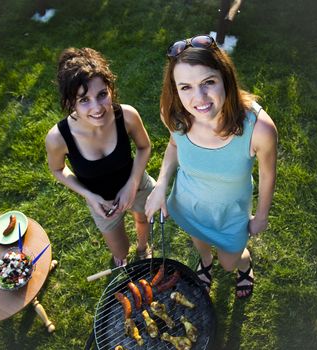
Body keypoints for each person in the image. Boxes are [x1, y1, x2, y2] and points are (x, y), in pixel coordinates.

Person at [145, 35, 277, 298]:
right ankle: (205, 263)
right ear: (175, 89)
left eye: (208, 82)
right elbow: (174, 146)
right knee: (200, 243)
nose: (199, 98)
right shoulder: (174, 113)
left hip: (230, 214)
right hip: (188, 202)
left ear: (225, 78)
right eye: (185, 87)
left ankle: (244, 264)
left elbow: (267, 175)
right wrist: (161, 184)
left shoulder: (259, 129)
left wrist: (261, 217)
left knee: (229, 263)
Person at [46, 47, 155, 267]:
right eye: (84, 100)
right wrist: (89, 195)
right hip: (102, 204)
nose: (97, 108)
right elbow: (57, 169)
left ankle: (144, 249)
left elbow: (144, 147)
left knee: (144, 221)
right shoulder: (58, 138)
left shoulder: (127, 116)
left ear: (111, 89)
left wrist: (132, 184)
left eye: (102, 94)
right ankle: (122, 257)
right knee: (120, 250)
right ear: (70, 102)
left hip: (138, 184)